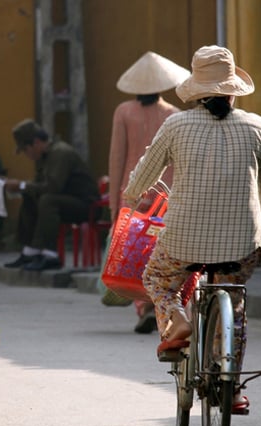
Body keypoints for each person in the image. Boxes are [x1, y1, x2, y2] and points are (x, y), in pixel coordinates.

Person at [124, 45, 261, 412]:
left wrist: (132, 196)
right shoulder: (256, 126)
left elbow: (146, 170)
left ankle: (176, 320)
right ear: (231, 91)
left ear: (196, 90)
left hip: (183, 240)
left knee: (157, 278)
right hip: (243, 242)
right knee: (235, 301)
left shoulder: (176, 125)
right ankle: (234, 387)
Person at [104, 51, 190, 334]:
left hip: (133, 193)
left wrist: (116, 203)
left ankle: (142, 307)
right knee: (160, 254)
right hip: (167, 193)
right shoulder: (174, 115)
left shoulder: (123, 112)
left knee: (133, 255)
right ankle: (156, 308)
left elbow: (117, 158)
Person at [2, 119, 99, 271]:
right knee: (30, 196)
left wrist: (21, 185)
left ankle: (50, 254)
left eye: (26, 150)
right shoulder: (45, 157)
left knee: (48, 201)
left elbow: (53, 187)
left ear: (36, 143)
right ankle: (30, 251)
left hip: (86, 206)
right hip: (66, 202)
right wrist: (22, 188)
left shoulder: (60, 153)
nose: (27, 155)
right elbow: (38, 185)